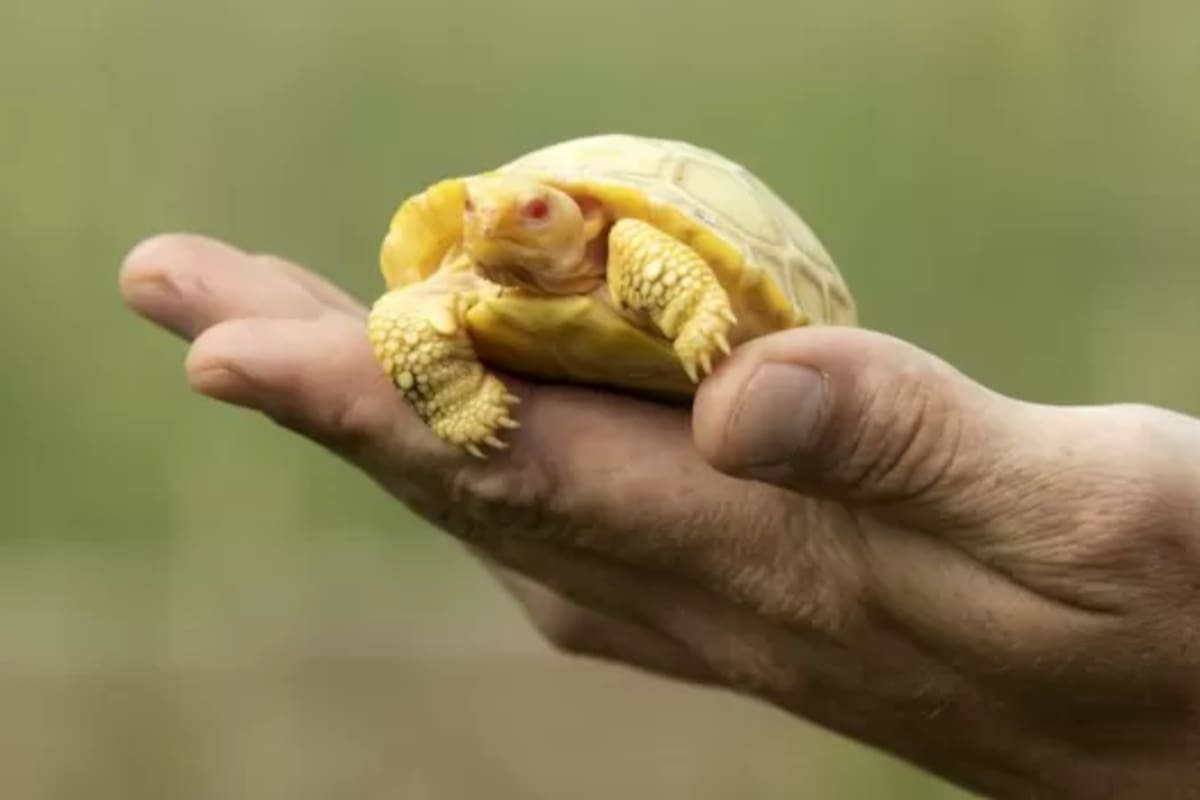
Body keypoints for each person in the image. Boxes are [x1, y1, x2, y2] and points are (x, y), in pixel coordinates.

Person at [119, 233, 1200, 797]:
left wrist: (684, 306)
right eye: (488, 216)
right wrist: (451, 392)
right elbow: (410, 317)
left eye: (534, 216)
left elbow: (664, 264)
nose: (504, 228)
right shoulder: (470, 277)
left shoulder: (631, 253)